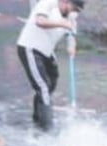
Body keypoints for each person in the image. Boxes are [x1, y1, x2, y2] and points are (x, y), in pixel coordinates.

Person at [16, 0, 83, 132]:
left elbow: (71, 35)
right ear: (65, 2)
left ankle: (38, 118)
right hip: (30, 47)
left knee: (51, 82)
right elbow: (40, 21)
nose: (74, 12)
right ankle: (47, 130)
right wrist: (63, 24)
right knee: (43, 87)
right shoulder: (47, 4)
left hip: (46, 51)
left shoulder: (71, 16)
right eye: (73, 8)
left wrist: (71, 45)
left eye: (78, 10)